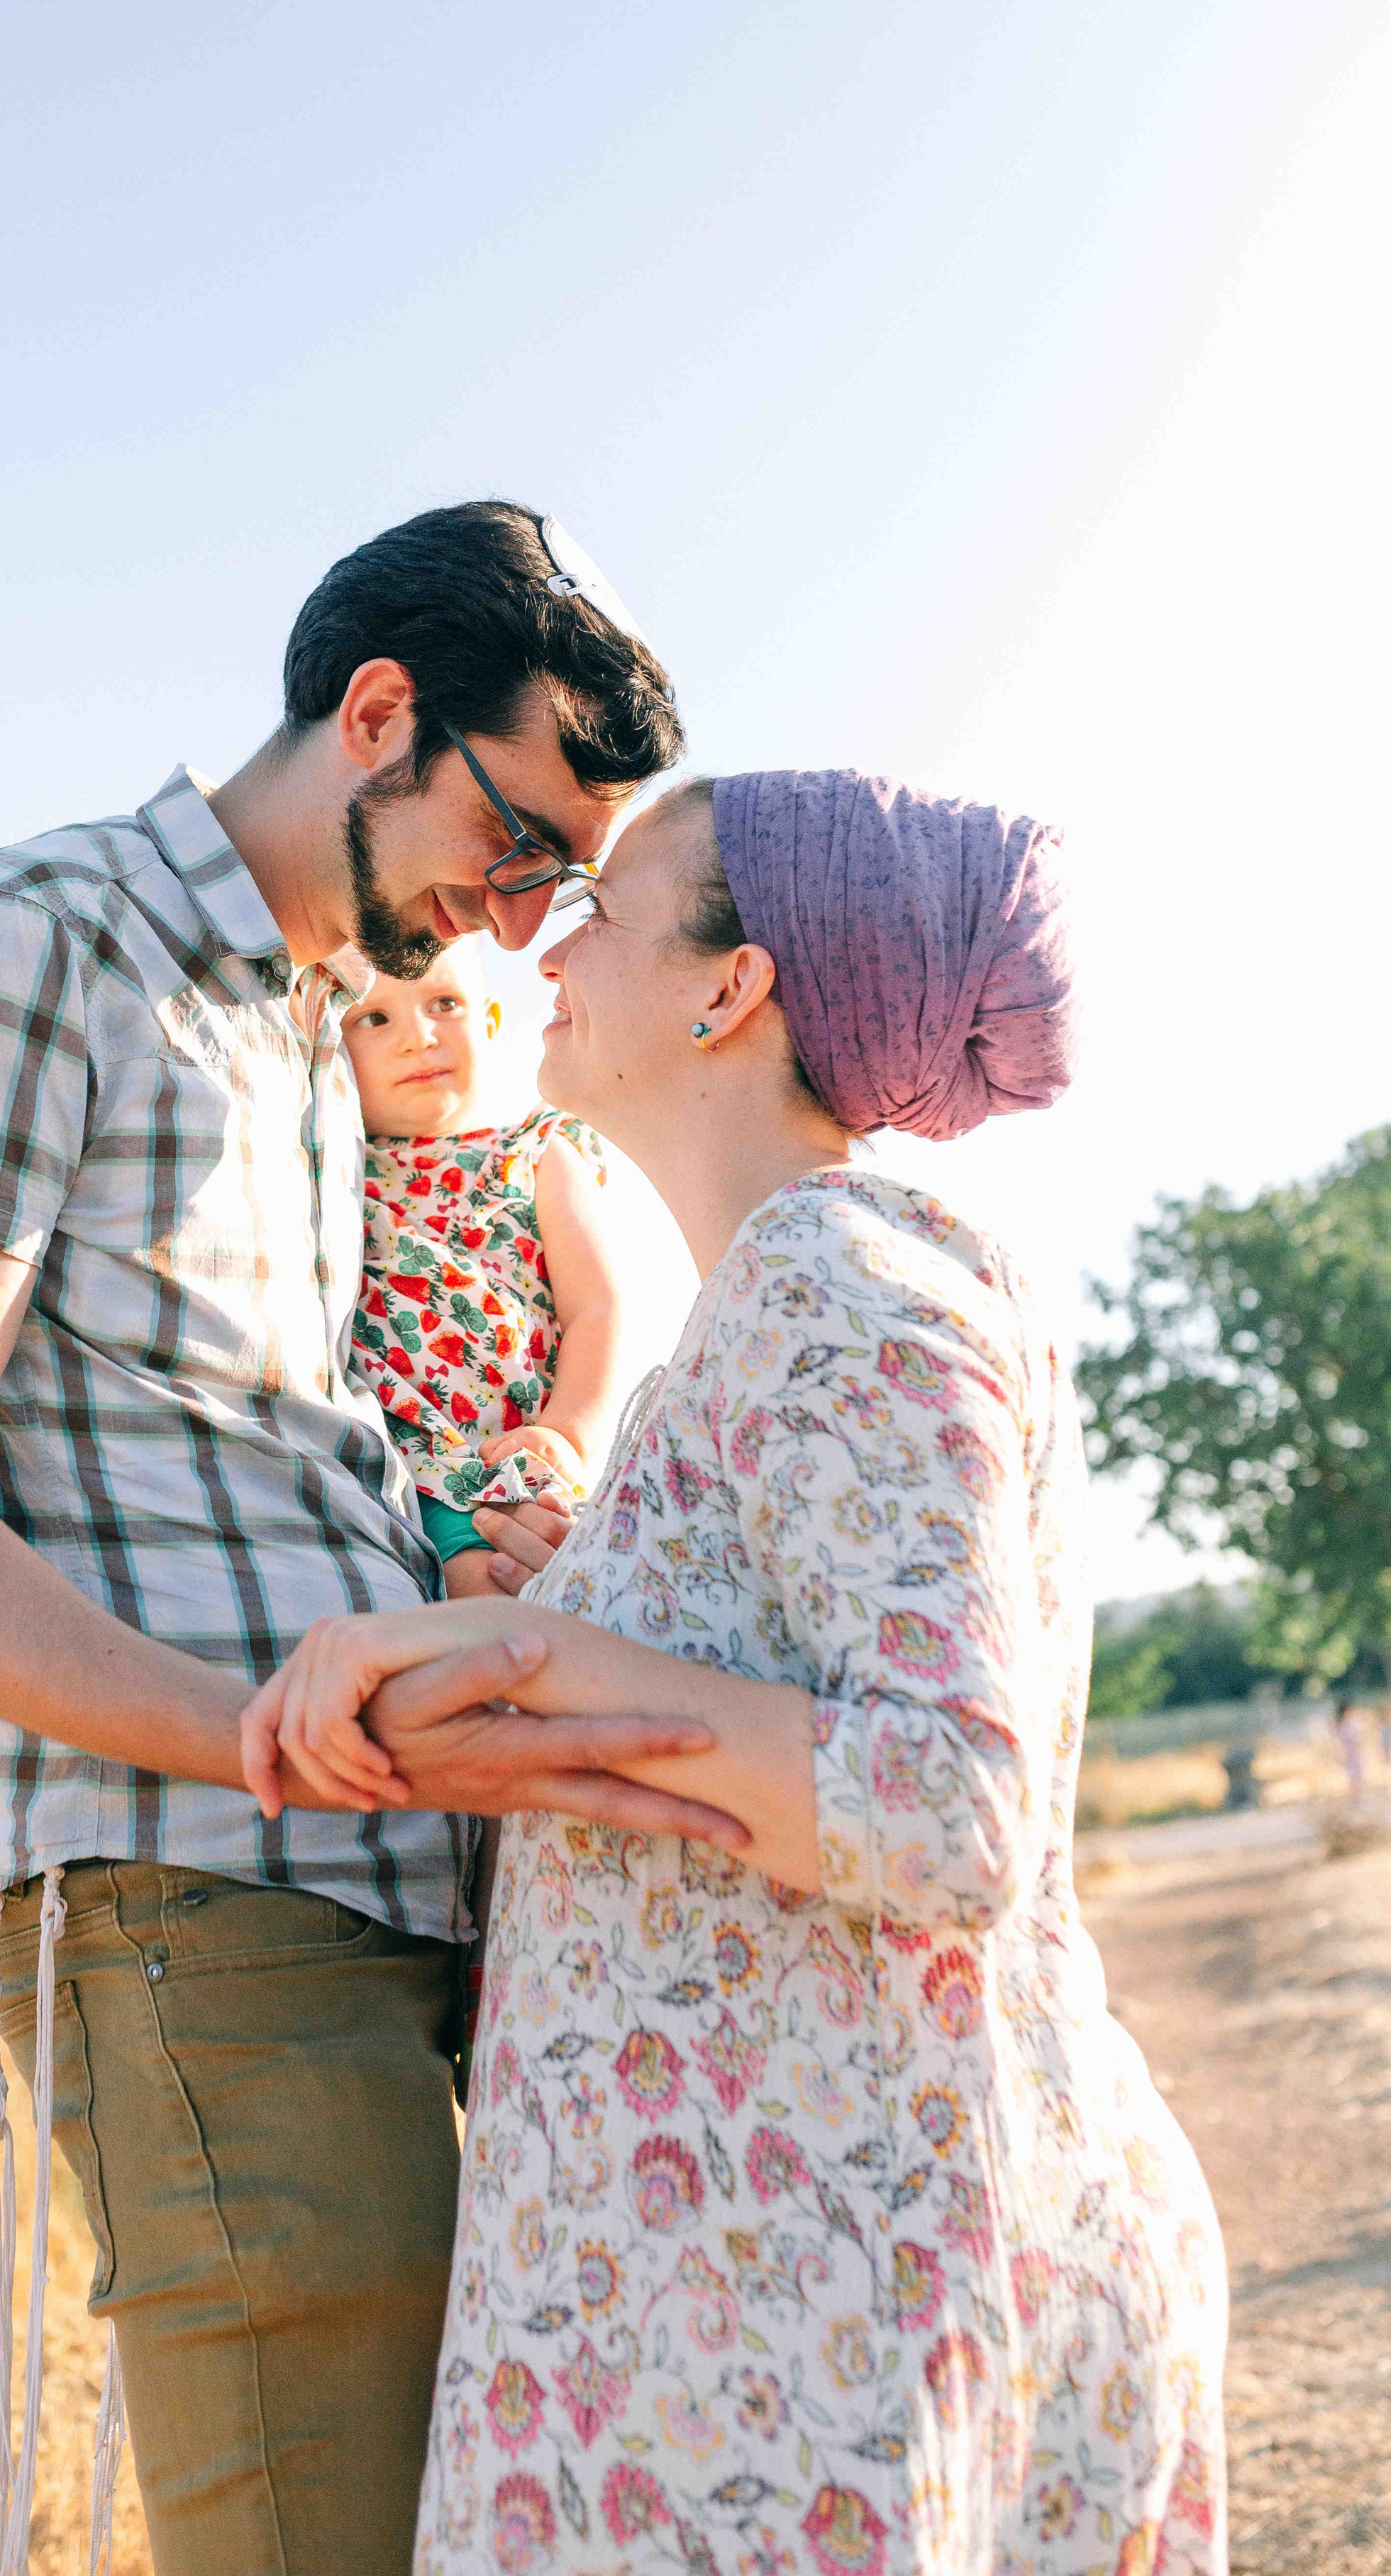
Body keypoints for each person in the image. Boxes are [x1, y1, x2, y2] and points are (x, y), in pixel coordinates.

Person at [0, 503, 749, 2576]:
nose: (519, 920)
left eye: (564, 882)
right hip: (198, 1901)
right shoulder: (33, 939)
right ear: (379, 714)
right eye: (512, 847)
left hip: (407, 1880)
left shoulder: (327, 1036)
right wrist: (263, 1731)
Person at [243, 769, 1229, 2575]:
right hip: (768, 2297)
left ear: (726, 988)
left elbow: (942, 1796)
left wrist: (513, 1646)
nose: (544, 940)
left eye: (605, 909)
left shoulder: (836, 1280)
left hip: (825, 2305)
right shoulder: (768, 1306)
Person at [343, 934, 624, 1599]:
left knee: (545, 1599)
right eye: (375, 1019)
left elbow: (599, 1306)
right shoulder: (341, 1173)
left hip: (520, 1451)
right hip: (404, 1464)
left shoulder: (536, 1151)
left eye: (444, 1003)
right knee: (478, 1598)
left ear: (490, 1022)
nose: (418, 1037)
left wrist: (569, 1433)